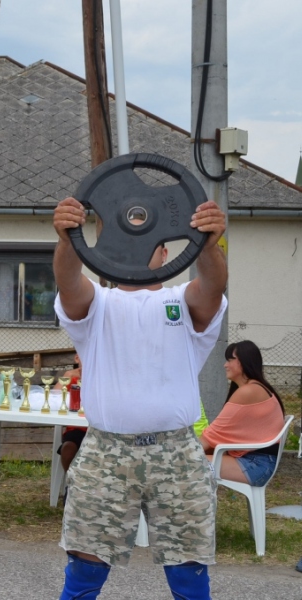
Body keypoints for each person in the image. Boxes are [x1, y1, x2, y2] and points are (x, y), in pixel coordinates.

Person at [52, 196, 227, 600]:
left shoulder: (182, 301)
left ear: (166, 250)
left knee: (189, 566)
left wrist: (209, 242)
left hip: (176, 452)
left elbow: (213, 285)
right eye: (121, 238)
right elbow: (68, 282)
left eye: (145, 239)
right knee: (85, 564)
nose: (133, 246)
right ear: (102, 249)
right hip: (106, 451)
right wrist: (66, 239)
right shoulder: (97, 303)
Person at [199, 340, 285, 486]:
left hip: (256, 465)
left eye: (230, 360)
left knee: (185, 464)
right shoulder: (258, 387)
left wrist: (182, 453)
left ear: (244, 361)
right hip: (259, 461)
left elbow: (211, 435)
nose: (225, 365)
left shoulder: (248, 392)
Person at [58, 353, 85, 474]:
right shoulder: (71, 377)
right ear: (77, 358)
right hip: (77, 428)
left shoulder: (105, 377)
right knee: (68, 447)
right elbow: (54, 398)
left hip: (100, 429)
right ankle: (70, 484)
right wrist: (67, 376)